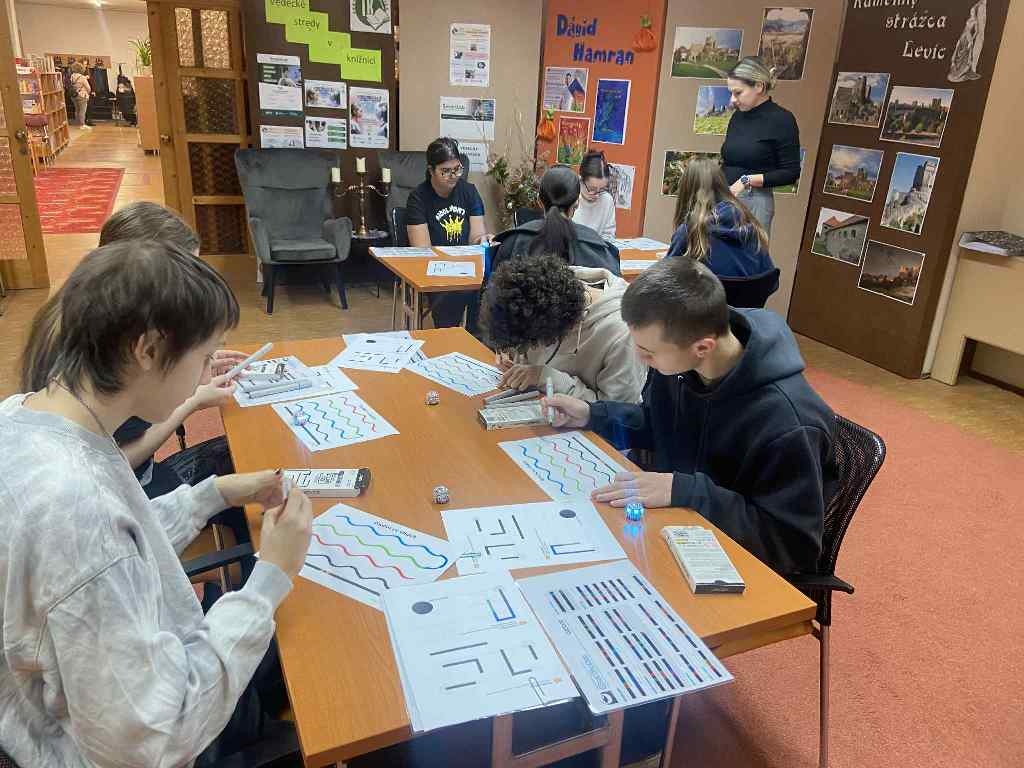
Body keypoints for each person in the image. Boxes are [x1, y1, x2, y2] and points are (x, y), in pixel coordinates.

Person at [0, 240, 314, 767]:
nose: (207, 373)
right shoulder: (78, 511)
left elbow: (118, 553)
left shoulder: (24, 416)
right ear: (147, 350)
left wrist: (214, 494)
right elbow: (156, 740)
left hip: (77, 698)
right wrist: (270, 578)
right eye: (204, 356)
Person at [545, 257, 837, 577]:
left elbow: (792, 547)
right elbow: (660, 423)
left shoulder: (790, 423)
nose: (639, 357)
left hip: (737, 564)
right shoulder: (683, 365)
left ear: (703, 347)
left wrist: (687, 491)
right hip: (676, 528)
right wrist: (592, 414)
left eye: (648, 352)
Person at [20, 201, 247, 501]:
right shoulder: (75, 489)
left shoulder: (83, 321)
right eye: (187, 278)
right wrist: (191, 400)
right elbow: (110, 466)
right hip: (135, 489)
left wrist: (184, 359)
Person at [479, 254, 647, 404]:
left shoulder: (623, 334)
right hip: (540, 405)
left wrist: (546, 377)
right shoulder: (545, 294)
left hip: (585, 427)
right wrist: (509, 352)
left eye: (529, 344)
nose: (527, 349)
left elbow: (617, 413)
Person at [406, 136, 491, 328]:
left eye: (457, 169)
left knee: (487, 289)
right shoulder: (418, 198)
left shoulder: (469, 192)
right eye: (445, 171)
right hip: (436, 270)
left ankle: (474, 336)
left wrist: (484, 240)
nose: (453, 176)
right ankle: (451, 335)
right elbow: (422, 250)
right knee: (452, 299)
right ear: (431, 170)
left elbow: (476, 237)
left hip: (465, 267)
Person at [491, 164, 620, 277]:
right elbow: (614, 291)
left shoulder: (512, 242)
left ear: (539, 201)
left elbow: (491, 291)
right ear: (576, 203)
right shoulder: (597, 248)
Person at [721, 56, 800, 234]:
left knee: (749, 252)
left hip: (754, 202)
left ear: (759, 86)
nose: (732, 100)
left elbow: (791, 172)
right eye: (731, 93)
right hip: (725, 197)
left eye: (738, 93)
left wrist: (746, 181)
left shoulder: (782, 120)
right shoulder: (738, 116)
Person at [665, 158, 775, 277]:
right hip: (748, 290)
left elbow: (665, 278)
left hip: (707, 289)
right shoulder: (751, 227)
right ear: (723, 186)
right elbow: (769, 277)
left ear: (686, 191)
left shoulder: (689, 232)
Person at [572, 151, 617, 241]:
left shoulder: (607, 199)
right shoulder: (570, 196)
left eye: (602, 189)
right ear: (581, 180)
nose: (596, 194)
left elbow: (609, 235)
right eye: (592, 188)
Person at [69, 62, 92, 130]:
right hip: (82, 95)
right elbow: (88, 88)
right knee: (82, 110)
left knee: (77, 110)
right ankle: (82, 124)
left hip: (74, 95)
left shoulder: (72, 76)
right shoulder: (82, 77)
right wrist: (88, 93)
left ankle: (77, 123)